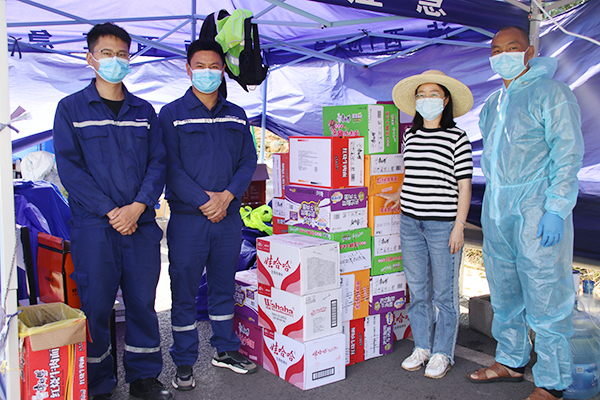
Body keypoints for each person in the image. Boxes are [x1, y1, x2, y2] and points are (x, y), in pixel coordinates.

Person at [53, 23, 172, 400]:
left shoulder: (144, 111)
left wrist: (137, 207)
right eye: (107, 54)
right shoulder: (70, 108)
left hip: (141, 224)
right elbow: (70, 169)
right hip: (95, 228)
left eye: (122, 54)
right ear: (90, 58)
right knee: (96, 306)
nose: (115, 60)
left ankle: (144, 378)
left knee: (142, 303)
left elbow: (158, 162)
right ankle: (97, 382)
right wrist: (111, 211)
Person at [466, 26, 584, 400]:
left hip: (537, 209)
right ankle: (510, 360)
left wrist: (556, 208)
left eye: (512, 47)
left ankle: (552, 382)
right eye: (496, 50)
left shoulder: (552, 94)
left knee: (546, 294)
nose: (503, 55)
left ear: (529, 52)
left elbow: (567, 155)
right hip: (498, 211)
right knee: (505, 293)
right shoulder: (493, 104)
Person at [159, 38, 258, 392]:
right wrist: (204, 201)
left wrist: (227, 196)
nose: (207, 72)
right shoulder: (171, 114)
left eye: (214, 66)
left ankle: (225, 350)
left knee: (223, 285)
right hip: (189, 219)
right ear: (188, 70)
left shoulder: (237, 114)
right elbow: (169, 167)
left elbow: (248, 160)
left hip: (228, 218)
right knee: (184, 290)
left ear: (223, 70)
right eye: (200, 66)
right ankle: (184, 361)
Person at [381, 70, 473, 379]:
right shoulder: (411, 135)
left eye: (433, 94)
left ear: (445, 101)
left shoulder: (457, 137)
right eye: (421, 95)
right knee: (418, 291)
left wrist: (460, 225)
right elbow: (412, 172)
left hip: (443, 225)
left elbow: (464, 186)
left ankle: (442, 352)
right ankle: (422, 346)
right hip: (410, 222)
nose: (426, 99)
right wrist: (398, 194)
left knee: (444, 294)